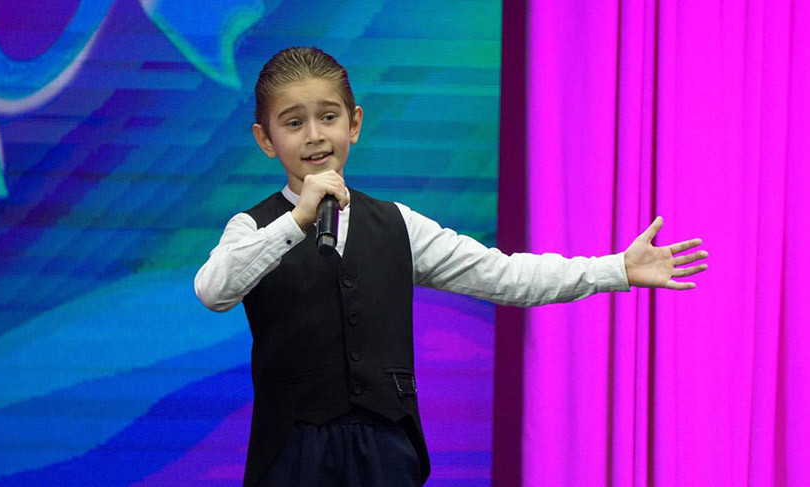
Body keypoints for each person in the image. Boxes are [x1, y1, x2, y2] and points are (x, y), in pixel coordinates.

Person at [194, 46, 708, 487]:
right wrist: (297, 221)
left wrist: (616, 269)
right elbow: (213, 291)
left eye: (328, 117)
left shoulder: (398, 225)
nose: (314, 135)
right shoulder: (254, 228)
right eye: (293, 123)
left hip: (385, 448)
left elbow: (504, 275)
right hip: (294, 452)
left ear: (354, 124)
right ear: (266, 139)